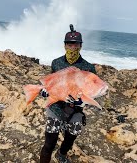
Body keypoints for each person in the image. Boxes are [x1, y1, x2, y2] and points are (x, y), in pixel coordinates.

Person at [39, 24, 96, 163]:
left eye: (76, 44)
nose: (73, 47)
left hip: (75, 109)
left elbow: (92, 90)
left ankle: (62, 153)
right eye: (69, 44)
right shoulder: (56, 63)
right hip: (56, 107)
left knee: (72, 135)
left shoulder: (88, 67)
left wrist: (82, 102)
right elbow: (51, 83)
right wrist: (45, 92)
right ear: (65, 45)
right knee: (49, 144)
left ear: (81, 46)